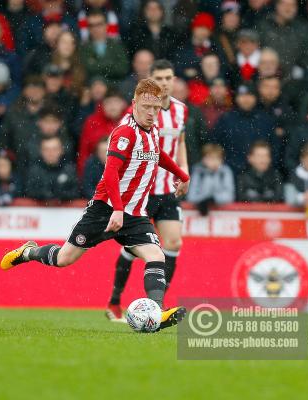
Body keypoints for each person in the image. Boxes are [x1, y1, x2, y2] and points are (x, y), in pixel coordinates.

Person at [0, 78, 190, 332]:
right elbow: (110, 173)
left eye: (155, 109)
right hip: (105, 209)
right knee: (64, 258)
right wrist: (118, 210)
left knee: (156, 255)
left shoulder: (152, 130)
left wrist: (181, 173)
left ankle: (158, 312)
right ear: (134, 104)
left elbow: (158, 155)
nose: (151, 114)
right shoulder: (124, 133)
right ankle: (28, 252)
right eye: (146, 108)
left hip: (134, 214)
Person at [106, 60, 189, 321]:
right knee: (133, 248)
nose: (165, 83)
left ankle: (158, 305)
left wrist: (183, 170)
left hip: (167, 190)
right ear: (151, 81)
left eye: (169, 78)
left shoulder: (180, 110)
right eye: (160, 78)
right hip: (140, 192)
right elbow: (117, 145)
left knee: (173, 242)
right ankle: (115, 301)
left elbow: (180, 141)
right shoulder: (139, 112)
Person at [187, 144, 235, 215]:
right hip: (199, 214)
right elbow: (191, 196)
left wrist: (214, 199)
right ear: (203, 159)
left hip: (222, 214)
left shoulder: (225, 172)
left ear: (221, 159)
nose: (213, 161)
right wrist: (204, 201)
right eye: (210, 158)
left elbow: (230, 196)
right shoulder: (198, 172)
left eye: (216, 158)